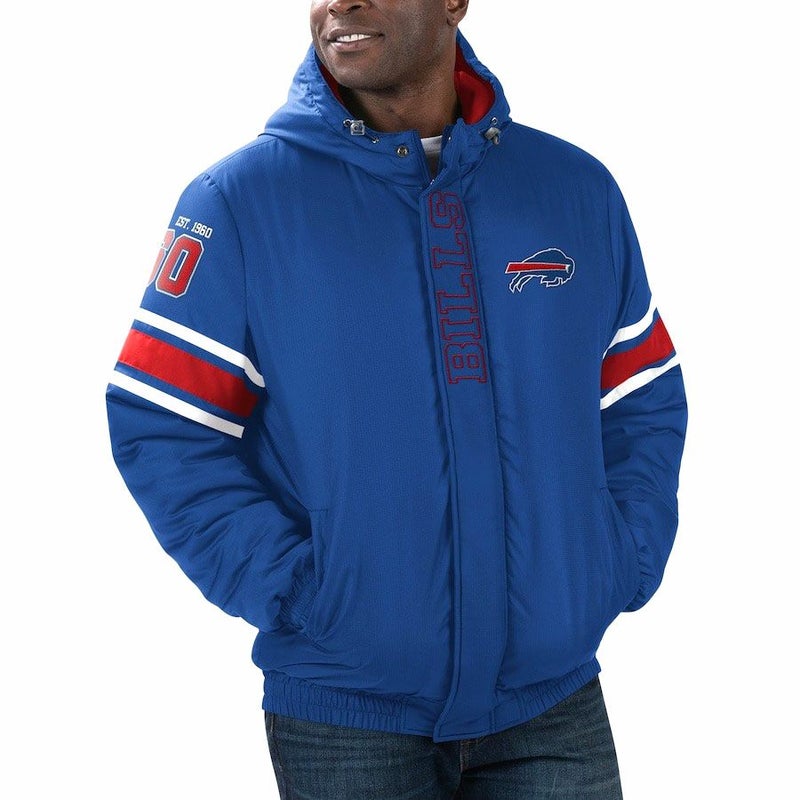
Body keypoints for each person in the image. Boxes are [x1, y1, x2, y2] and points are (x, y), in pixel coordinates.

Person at [106, 0, 688, 796]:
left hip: (555, 703)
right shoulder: (240, 203)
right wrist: (298, 590)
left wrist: (620, 557)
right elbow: (161, 423)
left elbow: (642, 396)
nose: (339, 3)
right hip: (348, 717)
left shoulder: (573, 191)